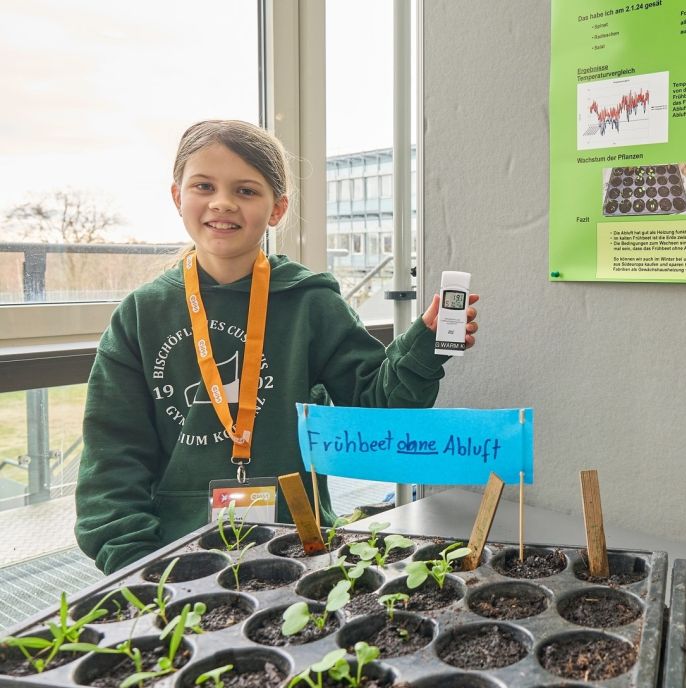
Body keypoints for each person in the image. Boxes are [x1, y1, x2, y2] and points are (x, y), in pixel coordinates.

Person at [74, 119, 479, 574]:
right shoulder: (141, 315)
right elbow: (112, 457)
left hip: (300, 552)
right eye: (203, 185)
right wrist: (136, 567)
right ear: (177, 196)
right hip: (173, 559)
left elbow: (376, 405)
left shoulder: (311, 304)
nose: (222, 203)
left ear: (277, 208)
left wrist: (423, 346)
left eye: (246, 190)